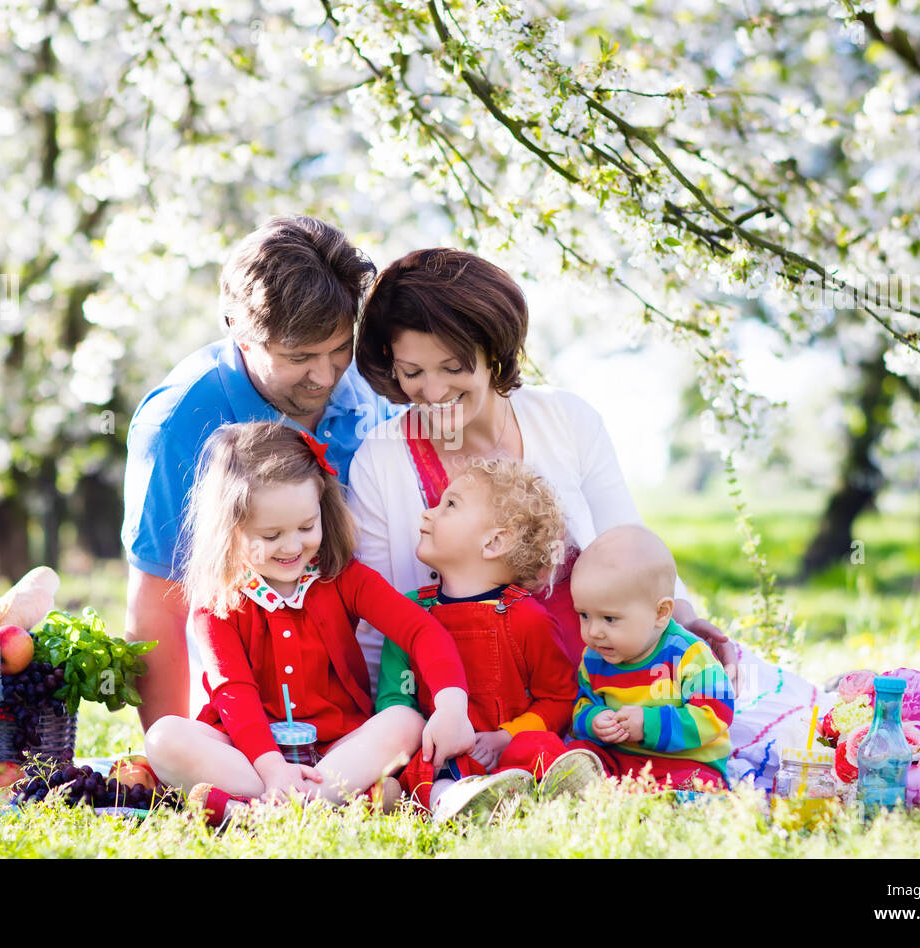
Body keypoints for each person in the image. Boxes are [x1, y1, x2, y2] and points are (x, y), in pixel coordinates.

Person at [347, 247, 828, 790]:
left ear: (493, 352)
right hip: (470, 700)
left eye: (454, 368)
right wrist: (382, 720)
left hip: (609, 678)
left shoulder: (565, 421)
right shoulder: (382, 460)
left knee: (797, 728)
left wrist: (686, 620)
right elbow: (378, 619)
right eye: (412, 372)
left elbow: (630, 542)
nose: (432, 392)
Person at [121, 216, 397, 730]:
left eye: (339, 349)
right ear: (242, 336)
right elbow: (158, 605)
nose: (325, 375)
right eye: (299, 357)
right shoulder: (176, 426)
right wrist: (173, 756)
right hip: (251, 700)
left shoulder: (371, 380)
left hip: (372, 682)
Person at [143, 422, 475, 824]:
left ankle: (261, 811)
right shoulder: (218, 605)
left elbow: (420, 629)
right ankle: (323, 804)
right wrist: (272, 770)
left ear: (323, 511)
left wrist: (451, 703)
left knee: (405, 721)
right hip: (247, 753)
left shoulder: (344, 578)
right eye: (270, 535)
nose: (291, 546)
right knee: (164, 738)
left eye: (305, 527)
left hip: (337, 749)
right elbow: (234, 692)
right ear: (230, 530)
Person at [374, 457, 603, 820]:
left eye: (449, 505)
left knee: (540, 744)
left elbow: (559, 698)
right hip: (445, 753)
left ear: (494, 542)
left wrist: (506, 737)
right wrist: (430, 738)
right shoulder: (410, 614)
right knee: (422, 769)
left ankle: (559, 789)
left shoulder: (527, 618)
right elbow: (393, 700)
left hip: (509, 749)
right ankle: (457, 802)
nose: (427, 514)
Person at [566, 525, 734, 790]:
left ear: (661, 613)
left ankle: (671, 801)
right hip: (620, 759)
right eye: (584, 615)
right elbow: (582, 704)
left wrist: (649, 724)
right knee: (577, 754)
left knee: (696, 788)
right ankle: (591, 790)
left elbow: (716, 713)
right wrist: (595, 719)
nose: (594, 631)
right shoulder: (595, 657)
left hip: (683, 763)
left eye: (609, 618)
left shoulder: (688, 655)